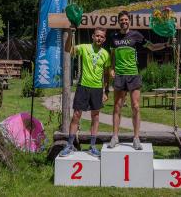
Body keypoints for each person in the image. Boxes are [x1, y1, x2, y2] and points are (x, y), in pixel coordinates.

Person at [109, 10, 170, 150]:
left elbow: (152, 47)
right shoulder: (113, 37)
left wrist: (166, 45)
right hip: (119, 75)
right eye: (121, 20)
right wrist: (111, 69)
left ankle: (136, 138)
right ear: (119, 22)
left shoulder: (136, 35)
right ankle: (115, 137)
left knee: (135, 106)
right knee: (117, 107)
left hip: (133, 75)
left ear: (129, 21)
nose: (124, 22)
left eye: (126, 20)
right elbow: (113, 55)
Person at [59, 27, 111, 157]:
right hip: (83, 86)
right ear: (93, 36)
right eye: (97, 35)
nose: (99, 38)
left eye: (101, 37)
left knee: (96, 116)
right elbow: (68, 50)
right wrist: (70, 34)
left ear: (104, 39)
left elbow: (106, 74)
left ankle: (92, 146)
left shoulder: (105, 54)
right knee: (76, 114)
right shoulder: (84, 47)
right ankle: (70, 145)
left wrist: (106, 91)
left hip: (97, 89)